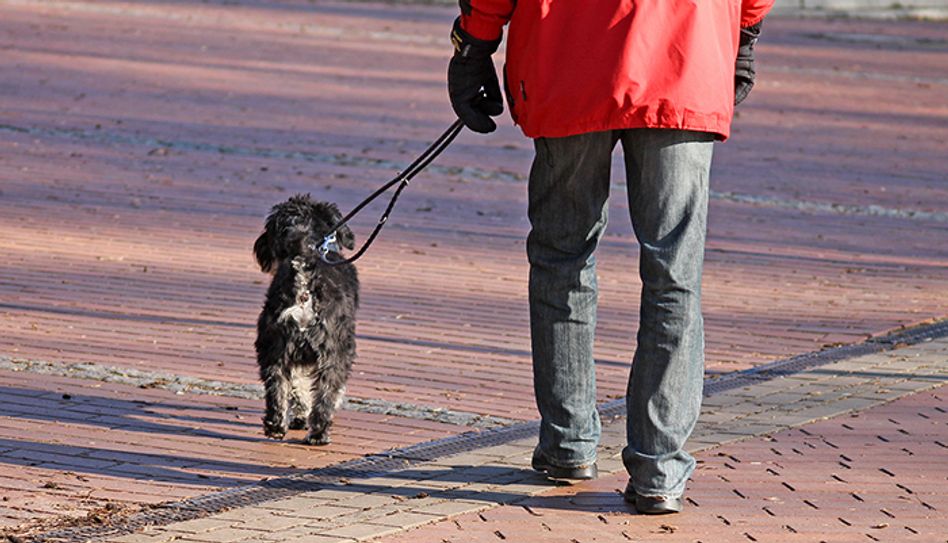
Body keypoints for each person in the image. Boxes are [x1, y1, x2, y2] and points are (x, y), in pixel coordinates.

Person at [447, 0, 774, 515]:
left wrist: (476, 40)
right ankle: (658, 468)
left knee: (563, 255)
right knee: (674, 275)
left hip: (568, 55)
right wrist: (746, 33)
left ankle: (568, 441)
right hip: (682, 56)